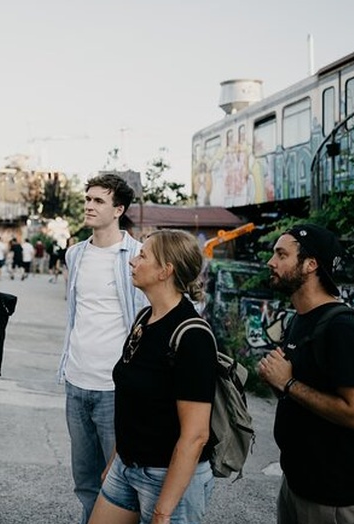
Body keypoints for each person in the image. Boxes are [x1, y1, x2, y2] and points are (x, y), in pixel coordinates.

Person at [89, 229, 217, 524]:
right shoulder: (143, 319)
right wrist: (115, 461)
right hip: (127, 465)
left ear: (165, 271)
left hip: (167, 476)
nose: (133, 261)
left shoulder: (192, 335)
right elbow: (133, 401)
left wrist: (164, 510)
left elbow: (196, 435)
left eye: (143, 255)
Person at [258, 224, 354, 524]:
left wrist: (287, 382)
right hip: (298, 485)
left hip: (335, 500)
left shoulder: (343, 328)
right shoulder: (301, 319)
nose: (271, 262)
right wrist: (278, 382)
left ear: (311, 264)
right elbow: (302, 393)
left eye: (281, 254)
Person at [57, 173, 149, 524]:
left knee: (118, 481)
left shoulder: (138, 256)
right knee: (84, 480)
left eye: (99, 201)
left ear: (118, 209)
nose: (90, 206)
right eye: (88, 199)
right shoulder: (75, 254)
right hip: (76, 381)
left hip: (115, 388)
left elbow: (147, 317)